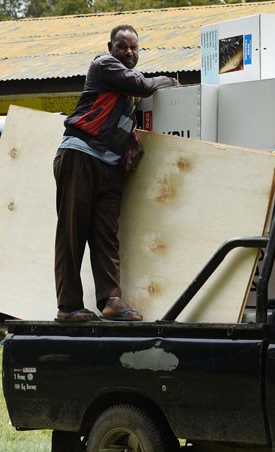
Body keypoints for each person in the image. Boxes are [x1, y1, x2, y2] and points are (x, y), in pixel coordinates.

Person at [54, 25, 179, 322]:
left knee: (106, 235)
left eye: (134, 48)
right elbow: (143, 85)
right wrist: (169, 81)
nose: (129, 52)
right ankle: (68, 306)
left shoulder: (126, 93)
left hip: (110, 166)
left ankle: (110, 300)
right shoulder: (104, 65)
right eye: (122, 46)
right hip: (81, 155)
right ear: (110, 46)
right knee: (73, 231)